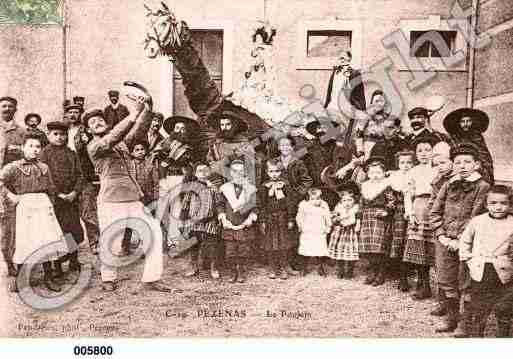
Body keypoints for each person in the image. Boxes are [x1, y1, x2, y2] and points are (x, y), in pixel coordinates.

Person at [85, 88, 170, 293]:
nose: (97, 122)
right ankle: (108, 278)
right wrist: (133, 113)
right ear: (88, 131)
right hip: (111, 201)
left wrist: (147, 109)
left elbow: (139, 131)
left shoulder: (121, 143)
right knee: (111, 241)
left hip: (133, 198)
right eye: (92, 122)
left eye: (99, 119)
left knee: (154, 233)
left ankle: (151, 279)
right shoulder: (95, 146)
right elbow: (113, 138)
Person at [430, 143, 490, 336]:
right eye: (458, 162)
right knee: (447, 279)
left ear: (477, 165)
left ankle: (464, 323)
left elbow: (476, 217)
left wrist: (460, 241)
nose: (462, 166)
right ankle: (451, 317)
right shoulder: (448, 184)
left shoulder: (482, 187)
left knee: (466, 282)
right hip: (445, 242)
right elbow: (435, 212)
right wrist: (441, 235)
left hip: (468, 244)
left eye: (467, 162)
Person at [0, 133, 66, 293]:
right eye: (31, 146)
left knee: (46, 239)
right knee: (25, 239)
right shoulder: (13, 167)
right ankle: (22, 277)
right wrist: (11, 196)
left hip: (43, 205)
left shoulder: (44, 167)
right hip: (25, 207)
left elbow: (50, 187)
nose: (35, 150)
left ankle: (48, 276)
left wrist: (51, 204)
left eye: (38, 147)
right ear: (23, 148)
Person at [459, 185, 513, 338]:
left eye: (503, 203)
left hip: (504, 271)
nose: (498, 207)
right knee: (479, 305)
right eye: (493, 203)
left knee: (504, 307)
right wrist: (467, 258)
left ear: (510, 205)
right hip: (480, 269)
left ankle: (503, 335)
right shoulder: (478, 221)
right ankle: (477, 334)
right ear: (486, 204)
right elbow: (465, 240)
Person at [39, 121, 84, 281]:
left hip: (70, 200)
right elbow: (44, 177)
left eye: (62, 134)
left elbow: (80, 175)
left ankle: (73, 259)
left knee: (72, 230)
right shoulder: (44, 154)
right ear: (49, 135)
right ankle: (56, 265)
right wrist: (57, 193)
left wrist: (74, 192)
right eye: (55, 134)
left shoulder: (71, 153)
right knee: (55, 233)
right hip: (54, 201)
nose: (59, 137)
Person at [403, 135, 439, 300]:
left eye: (427, 150)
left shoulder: (438, 169)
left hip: (434, 207)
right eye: (420, 151)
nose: (423, 153)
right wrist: (410, 212)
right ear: (415, 154)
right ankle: (423, 284)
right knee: (419, 247)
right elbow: (408, 193)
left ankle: (442, 289)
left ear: (433, 151)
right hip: (418, 206)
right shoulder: (413, 171)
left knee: (434, 247)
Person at [65, 103, 101, 255]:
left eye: (76, 112)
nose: (73, 115)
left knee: (88, 211)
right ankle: (71, 246)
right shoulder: (62, 131)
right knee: (68, 214)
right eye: (70, 112)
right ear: (66, 115)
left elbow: (93, 152)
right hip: (67, 177)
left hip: (85, 175)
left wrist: (95, 174)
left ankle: (95, 242)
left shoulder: (86, 131)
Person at [275, 135, 313, 274]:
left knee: (293, 231)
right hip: (277, 201)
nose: (284, 148)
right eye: (282, 145)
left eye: (287, 145)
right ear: (278, 147)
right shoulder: (274, 162)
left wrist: (297, 193)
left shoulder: (298, 163)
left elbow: (307, 181)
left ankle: (295, 262)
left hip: (294, 202)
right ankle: (279, 262)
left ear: (292, 147)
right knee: (280, 229)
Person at [218, 158, 258, 283]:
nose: (238, 174)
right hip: (229, 223)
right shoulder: (225, 188)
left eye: (241, 171)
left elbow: (256, 206)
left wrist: (250, 218)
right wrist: (223, 217)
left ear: (245, 172)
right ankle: (232, 272)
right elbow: (220, 205)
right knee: (229, 252)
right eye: (235, 171)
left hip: (244, 223)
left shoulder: (250, 189)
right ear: (230, 173)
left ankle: (241, 271)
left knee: (243, 251)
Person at [359, 156, 396, 286]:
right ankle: (372, 271)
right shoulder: (365, 186)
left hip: (380, 217)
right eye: (372, 173)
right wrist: (359, 220)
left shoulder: (386, 186)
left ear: (383, 172)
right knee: (368, 248)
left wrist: (387, 211)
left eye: (378, 172)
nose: (375, 175)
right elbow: (361, 205)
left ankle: (381, 273)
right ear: (368, 174)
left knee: (379, 247)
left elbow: (392, 202)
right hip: (367, 217)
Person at [181, 162, 221, 279]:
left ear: (210, 172)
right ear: (195, 173)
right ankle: (193, 266)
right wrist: (184, 220)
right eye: (199, 171)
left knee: (212, 245)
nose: (203, 173)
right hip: (194, 221)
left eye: (205, 170)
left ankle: (214, 267)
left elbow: (219, 203)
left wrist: (219, 216)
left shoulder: (213, 188)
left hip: (210, 220)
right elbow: (185, 205)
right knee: (193, 244)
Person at [0, 96, 26, 277]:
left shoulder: (21, 132)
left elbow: (29, 155)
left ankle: (12, 263)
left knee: (10, 226)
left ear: (15, 109)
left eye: (10, 106)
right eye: (3, 106)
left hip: (11, 185)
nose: (7, 109)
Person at [258, 159, 296, 280]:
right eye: (271, 171)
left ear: (281, 172)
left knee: (283, 243)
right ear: (267, 172)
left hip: (282, 217)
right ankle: (273, 267)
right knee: (271, 244)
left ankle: (284, 266)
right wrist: (262, 220)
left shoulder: (285, 185)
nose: (274, 174)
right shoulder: (264, 186)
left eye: (277, 171)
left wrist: (290, 218)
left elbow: (290, 203)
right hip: (270, 218)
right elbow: (262, 205)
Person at [429, 142, 454, 316]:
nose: (440, 167)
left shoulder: (457, 180)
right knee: (441, 265)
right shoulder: (437, 181)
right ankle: (442, 301)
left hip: (455, 225)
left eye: (443, 163)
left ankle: (455, 305)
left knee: (454, 269)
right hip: (441, 226)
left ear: (452, 162)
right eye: (436, 164)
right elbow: (433, 204)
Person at [122, 140, 160, 255]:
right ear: (132, 153)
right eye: (136, 150)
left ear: (146, 151)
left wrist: (155, 197)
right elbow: (126, 181)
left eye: (142, 149)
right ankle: (125, 246)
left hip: (147, 198)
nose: (140, 152)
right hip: (133, 199)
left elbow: (156, 183)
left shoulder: (150, 165)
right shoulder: (129, 166)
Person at [443, 108, 494, 185]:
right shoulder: (453, 138)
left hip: (476, 168)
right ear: (459, 123)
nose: (466, 124)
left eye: (468, 121)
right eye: (463, 122)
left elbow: (485, 157)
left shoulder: (477, 137)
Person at [388, 150, 415, 292]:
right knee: (398, 241)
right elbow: (389, 194)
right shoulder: (394, 177)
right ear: (398, 164)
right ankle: (402, 277)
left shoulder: (416, 175)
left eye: (409, 162)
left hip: (414, 210)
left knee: (410, 240)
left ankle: (412, 273)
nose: (406, 165)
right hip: (398, 212)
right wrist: (391, 203)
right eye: (402, 162)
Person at [324, 50, 366, 140]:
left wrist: (361, 110)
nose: (341, 59)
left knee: (344, 134)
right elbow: (330, 90)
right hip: (332, 107)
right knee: (331, 135)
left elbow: (360, 93)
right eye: (340, 57)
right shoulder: (335, 72)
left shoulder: (354, 73)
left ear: (349, 58)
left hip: (345, 109)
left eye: (343, 57)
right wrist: (326, 105)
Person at [328, 181, 361, 280]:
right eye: (344, 200)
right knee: (339, 250)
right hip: (339, 232)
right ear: (341, 201)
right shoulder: (339, 207)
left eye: (350, 200)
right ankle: (340, 269)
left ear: (354, 200)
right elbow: (334, 217)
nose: (347, 203)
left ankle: (349, 271)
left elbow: (356, 219)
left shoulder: (356, 208)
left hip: (350, 232)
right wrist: (335, 219)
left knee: (350, 250)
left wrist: (354, 224)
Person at [296, 187, 332, 277]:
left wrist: (328, 226)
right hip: (308, 229)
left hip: (319, 229)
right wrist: (301, 226)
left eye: (318, 198)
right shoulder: (304, 205)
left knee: (320, 248)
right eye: (313, 198)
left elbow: (327, 216)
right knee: (306, 247)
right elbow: (299, 217)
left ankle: (320, 267)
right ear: (309, 197)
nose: (316, 201)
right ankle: (304, 267)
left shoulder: (324, 205)